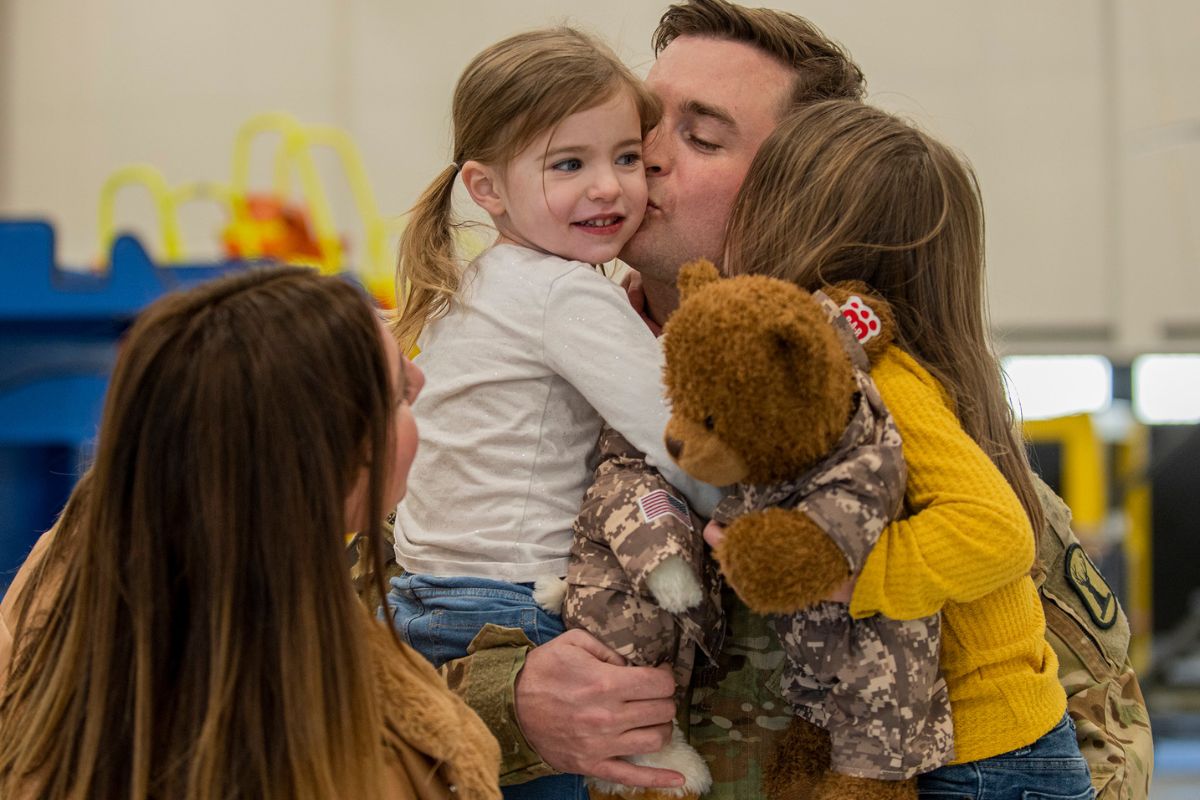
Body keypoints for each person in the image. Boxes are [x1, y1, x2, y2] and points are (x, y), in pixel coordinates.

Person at [373, 2, 1150, 798]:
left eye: (701, 136)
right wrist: (508, 708)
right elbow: (327, 682)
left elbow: (1096, 735)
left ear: (798, 188)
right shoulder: (496, 394)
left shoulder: (873, 429)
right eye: (639, 123)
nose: (644, 156)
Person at [0, 267, 501, 800]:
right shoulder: (328, 744)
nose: (420, 379)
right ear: (325, 462)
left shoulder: (97, 550)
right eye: (398, 394)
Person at [712, 98, 1092, 799]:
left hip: (987, 758)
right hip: (984, 748)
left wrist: (842, 575)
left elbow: (997, 531)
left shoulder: (885, 380)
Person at [387, 25, 723, 800]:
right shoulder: (564, 294)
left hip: (428, 598)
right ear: (487, 189)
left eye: (626, 158)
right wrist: (736, 517)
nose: (609, 187)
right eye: (570, 164)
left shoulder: (470, 286)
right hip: (515, 606)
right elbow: (678, 437)